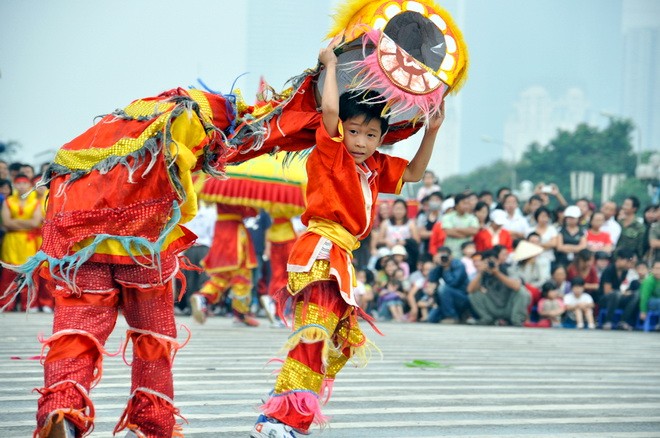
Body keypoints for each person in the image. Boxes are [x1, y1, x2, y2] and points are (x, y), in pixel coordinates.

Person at [1, 88, 234, 437]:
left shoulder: (91, 141)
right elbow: (185, 200)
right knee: (152, 338)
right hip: (143, 251)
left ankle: (61, 409)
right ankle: (150, 423)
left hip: (82, 248)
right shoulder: (173, 138)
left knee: (76, 333)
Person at [251, 40, 446, 436]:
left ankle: (282, 411)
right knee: (313, 334)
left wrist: (433, 130)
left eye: (370, 134)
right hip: (322, 251)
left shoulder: (374, 164)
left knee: (330, 341)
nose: (360, 140)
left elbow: (415, 175)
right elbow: (329, 111)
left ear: (380, 139)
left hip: (342, 256)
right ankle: (278, 419)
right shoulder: (332, 151)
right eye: (354, 130)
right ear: (343, 129)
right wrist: (331, 65)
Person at [0, 174, 42, 312]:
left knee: (29, 273)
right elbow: (6, 222)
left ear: (29, 185)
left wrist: (15, 223)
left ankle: (28, 305)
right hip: (11, 241)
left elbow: (35, 222)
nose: (21, 186)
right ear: (14, 185)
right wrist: (25, 224)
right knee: (8, 273)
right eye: (18, 183)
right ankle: (6, 304)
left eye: (24, 183)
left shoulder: (35, 202)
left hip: (28, 241)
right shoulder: (8, 201)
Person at [467, 249, 531, 326]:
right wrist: (480, 273)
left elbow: (517, 286)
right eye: (486, 262)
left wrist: (497, 273)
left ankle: (516, 320)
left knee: (522, 291)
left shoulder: (508, 269)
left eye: (492, 262)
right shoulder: (483, 273)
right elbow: (470, 290)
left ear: (498, 261)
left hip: (509, 306)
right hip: (493, 306)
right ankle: (487, 318)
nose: (490, 264)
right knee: (474, 294)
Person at [598, 248, 639, 330]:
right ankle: (607, 321)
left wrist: (626, 293)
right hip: (605, 299)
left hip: (618, 296)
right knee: (616, 294)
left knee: (635, 295)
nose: (629, 265)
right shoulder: (609, 270)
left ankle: (623, 321)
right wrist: (622, 293)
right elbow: (607, 291)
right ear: (620, 259)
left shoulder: (625, 271)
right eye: (628, 261)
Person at [427, 246, 469, 324]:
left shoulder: (458, 265)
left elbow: (453, 283)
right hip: (446, 299)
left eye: (445, 256)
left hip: (462, 297)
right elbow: (432, 279)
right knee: (431, 319)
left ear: (451, 256)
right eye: (441, 257)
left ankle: (451, 316)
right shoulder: (440, 265)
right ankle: (456, 316)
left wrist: (446, 268)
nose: (443, 259)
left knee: (443, 288)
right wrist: (436, 265)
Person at [441, 193, 479, 258]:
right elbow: (449, 232)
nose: (466, 206)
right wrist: (467, 234)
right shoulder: (447, 217)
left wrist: (456, 229)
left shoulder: (472, 218)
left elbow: (474, 231)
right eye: (464, 203)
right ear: (456, 205)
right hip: (451, 253)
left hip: (467, 255)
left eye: (467, 204)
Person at [639, 259, 660, 331]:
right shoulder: (648, 281)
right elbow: (644, 297)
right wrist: (643, 311)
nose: (658, 271)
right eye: (656, 268)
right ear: (652, 269)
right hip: (650, 302)